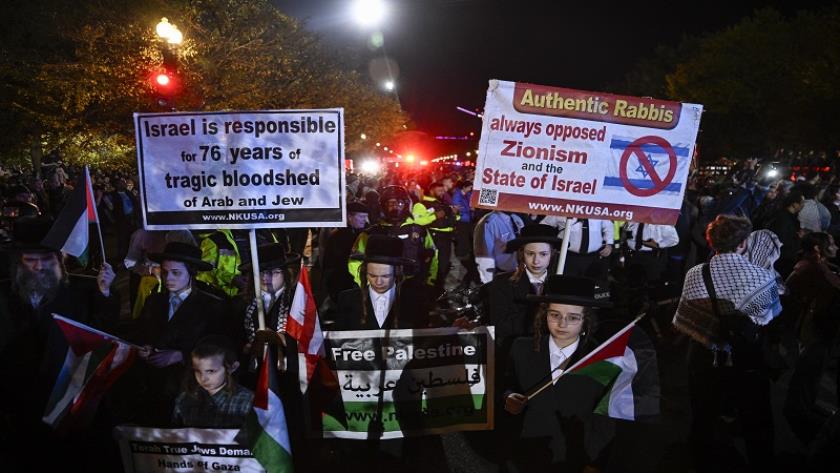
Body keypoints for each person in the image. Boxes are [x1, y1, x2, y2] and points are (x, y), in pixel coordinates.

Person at [0, 216, 118, 470]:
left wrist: (105, 293)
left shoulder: (80, 292)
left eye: (46, 260)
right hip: (19, 402)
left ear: (60, 262)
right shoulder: (4, 298)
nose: (39, 267)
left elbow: (102, 333)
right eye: (31, 260)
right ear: (19, 263)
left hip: (66, 399)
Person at [672, 214, 782, 473]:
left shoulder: (695, 273)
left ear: (711, 242)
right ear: (743, 243)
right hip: (745, 359)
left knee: (703, 415)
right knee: (755, 419)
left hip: (703, 355)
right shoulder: (760, 277)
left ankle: (701, 460)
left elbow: (684, 318)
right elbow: (768, 317)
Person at [503, 275, 612, 472]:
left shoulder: (601, 360)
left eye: (572, 317)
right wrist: (508, 396)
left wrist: (595, 462)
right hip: (525, 452)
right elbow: (505, 384)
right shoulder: (520, 348)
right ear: (544, 315)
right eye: (555, 315)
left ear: (585, 319)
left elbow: (605, 419)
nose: (562, 324)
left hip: (573, 455)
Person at [132, 241, 228, 426]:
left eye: (176, 273)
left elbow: (221, 348)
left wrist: (181, 356)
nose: (169, 278)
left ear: (191, 273)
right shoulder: (154, 301)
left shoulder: (212, 305)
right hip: (155, 389)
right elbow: (141, 333)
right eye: (165, 271)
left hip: (193, 390)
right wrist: (143, 348)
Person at [485, 224, 562, 368]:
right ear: (521, 254)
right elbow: (500, 325)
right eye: (530, 253)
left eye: (543, 254)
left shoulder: (561, 285)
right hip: (514, 355)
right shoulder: (503, 284)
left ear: (552, 254)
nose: (536, 261)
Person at [332, 234, 430, 331]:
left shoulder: (415, 301)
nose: (378, 282)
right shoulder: (347, 300)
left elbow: (422, 341)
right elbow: (338, 341)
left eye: (385, 276)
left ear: (397, 272)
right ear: (365, 272)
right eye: (372, 275)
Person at [172, 335, 254, 428]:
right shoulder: (184, 399)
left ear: (232, 367)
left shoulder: (247, 401)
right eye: (197, 371)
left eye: (211, 371)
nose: (203, 378)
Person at [543, 216, 613, 284]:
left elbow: (608, 226)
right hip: (567, 257)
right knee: (566, 284)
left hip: (593, 258)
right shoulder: (564, 208)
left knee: (591, 286)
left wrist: (609, 244)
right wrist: (548, 244)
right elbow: (544, 225)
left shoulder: (597, 209)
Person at [473, 210, 525, 283]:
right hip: (501, 274)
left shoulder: (516, 219)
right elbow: (484, 255)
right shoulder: (489, 222)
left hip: (519, 273)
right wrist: (488, 281)